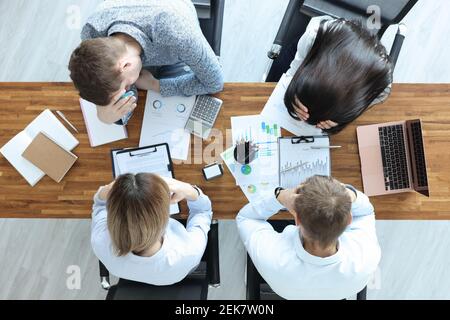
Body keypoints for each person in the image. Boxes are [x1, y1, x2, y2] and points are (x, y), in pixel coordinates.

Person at [69, 0, 224, 125]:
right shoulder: (91, 34)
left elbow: (214, 83)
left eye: (126, 87)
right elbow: (103, 82)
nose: (129, 89)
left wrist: (155, 85)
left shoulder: (176, 32)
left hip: (172, 45)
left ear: (125, 66)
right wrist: (104, 115)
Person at [236, 175, 381, 299]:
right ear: (349, 219)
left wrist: (280, 196)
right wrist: (350, 194)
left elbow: (246, 218)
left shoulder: (272, 257)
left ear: (297, 220)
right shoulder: (366, 256)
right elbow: (366, 212)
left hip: (284, 281)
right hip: (336, 290)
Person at [91, 173, 212, 285]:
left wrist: (111, 189)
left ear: (113, 211)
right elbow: (202, 211)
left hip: (133, 274)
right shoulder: (187, 252)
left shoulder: (100, 241)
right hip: (177, 272)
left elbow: (100, 204)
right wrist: (188, 190)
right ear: (165, 216)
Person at [281, 16, 393, 133]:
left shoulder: (381, 89)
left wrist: (340, 122)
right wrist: (292, 95)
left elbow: (359, 108)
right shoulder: (313, 37)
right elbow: (293, 72)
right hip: (312, 50)